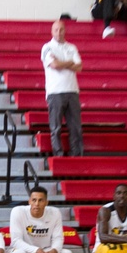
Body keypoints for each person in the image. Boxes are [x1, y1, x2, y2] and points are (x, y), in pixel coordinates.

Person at [42, 19, 83, 157]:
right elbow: (54, 65)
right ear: (51, 31)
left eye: (61, 30)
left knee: (75, 127)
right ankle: (58, 155)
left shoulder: (72, 47)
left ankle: (76, 155)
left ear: (65, 30)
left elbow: (80, 67)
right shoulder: (47, 47)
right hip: (55, 91)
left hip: (72, 90)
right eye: (56, 30)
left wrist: (62, 63)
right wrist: (70, 62)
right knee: (56, 127)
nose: (59, 33)